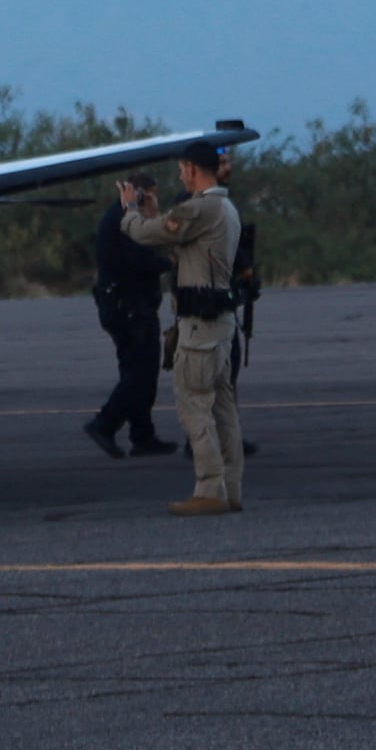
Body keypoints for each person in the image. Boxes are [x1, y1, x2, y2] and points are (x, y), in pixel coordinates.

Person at [120, 143, 244, 517]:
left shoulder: (201, 206)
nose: (179, 176)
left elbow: (147, 234)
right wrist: (157, 215)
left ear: (192, 169)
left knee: (193, 404)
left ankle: (209, 489)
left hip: (200, 327)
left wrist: (129, 210)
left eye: (182, 169)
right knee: (223, 409)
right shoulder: (224, 208)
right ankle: (230, 487)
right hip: (219, 324)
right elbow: (183, 248)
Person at [81, 190, 172, 459]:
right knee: (140, 372)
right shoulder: (126, 222)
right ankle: (105, 423)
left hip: (124, 307)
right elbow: (140, 261)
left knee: (136, 370)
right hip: (129, 309)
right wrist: (171, 261)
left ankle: (142, 434)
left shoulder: (117, 218)